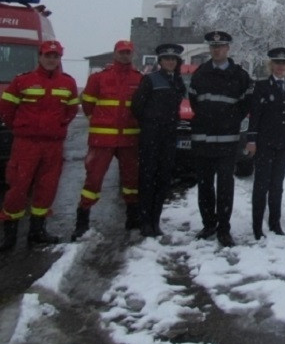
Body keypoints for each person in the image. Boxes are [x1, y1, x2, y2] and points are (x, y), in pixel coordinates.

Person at [0, 41, 79, 250]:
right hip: (26, 144)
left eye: (55, 56)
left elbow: (71, 110)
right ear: (40, 56)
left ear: (60, 59)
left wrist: (58, 125)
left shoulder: (67, 83)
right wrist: (20, 126)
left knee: (47, 188)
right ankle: (9, 236)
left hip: (53, 145)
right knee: (18, 188)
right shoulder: (23, 81)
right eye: (48, 56)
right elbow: (7, 108)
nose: (51, 60)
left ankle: (37, 232)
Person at [72, 40, 143, 240]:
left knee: (131, 181)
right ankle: (82, 221)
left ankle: (132, 218)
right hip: (102, 140)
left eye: (128, 52)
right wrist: (98, 122)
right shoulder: (99, 78)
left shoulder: (139, 79)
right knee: (93, 180)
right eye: (121, 52)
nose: (124, 55)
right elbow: (87, 104)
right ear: (115, 53)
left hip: (129, 139)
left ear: (132, 54)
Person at [188, 31, 253, 247]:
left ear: (228, 49)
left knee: (225, 185)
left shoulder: (239, 75)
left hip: (227, 139)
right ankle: (209, 224)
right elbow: (194, 101)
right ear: (210, 49)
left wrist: (230, 119)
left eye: (221, 46)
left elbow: (246, 104)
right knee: (205, 185)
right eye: (214, 46)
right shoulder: (200, 73)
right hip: (203, 139)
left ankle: (224, 228)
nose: (217, 50)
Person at [130, 43, 186, 237]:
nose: (170, 62)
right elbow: (137, 106)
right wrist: (150, 124)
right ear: (160, 61)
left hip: (169, 137)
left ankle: (155, 220)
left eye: (173, 59)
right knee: (147, 178)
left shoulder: (178, 81)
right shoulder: (150, 80)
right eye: (166, 59)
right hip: (151, 136)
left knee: (163, 179)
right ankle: (145, 221)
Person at [247, 47, 285, 240]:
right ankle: (256, 226)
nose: (280, 67)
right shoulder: (261, 86)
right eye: (277, 63)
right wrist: (251, 140)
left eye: (284, 63)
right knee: (261, 185)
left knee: (277, 185)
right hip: (264, 143)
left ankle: (275, 222)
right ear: (271, 65)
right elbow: (255, 115)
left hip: (283, 143)